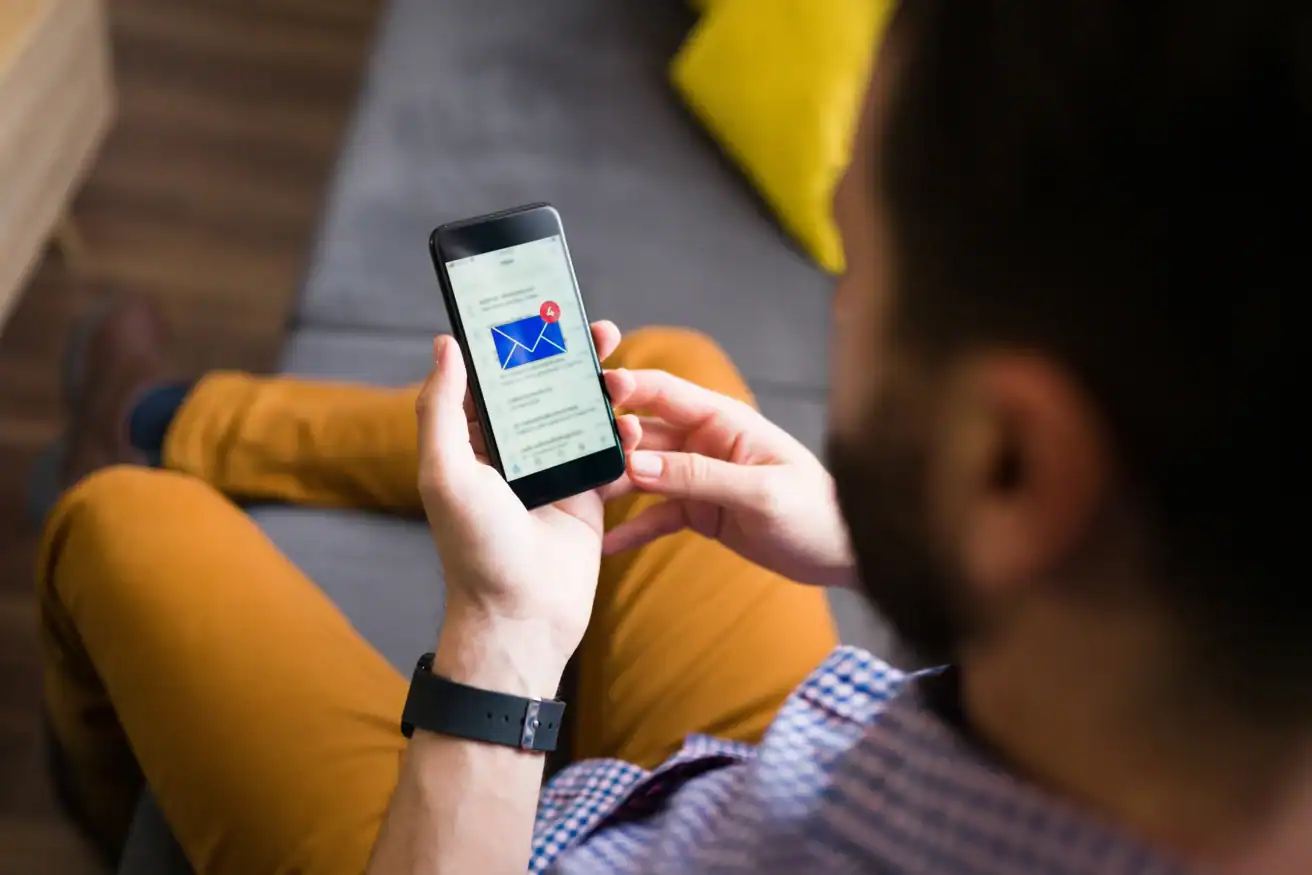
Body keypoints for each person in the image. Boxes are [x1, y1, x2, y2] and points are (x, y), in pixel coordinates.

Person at [35, 1, 1307, 873]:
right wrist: (893, 539)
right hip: (799, 764)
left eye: (857, 267)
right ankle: (184, 417)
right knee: (666, 376)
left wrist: (504, 644)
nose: (844, 312)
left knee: (116, 524)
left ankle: (119, 496)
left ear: (1011, 466)